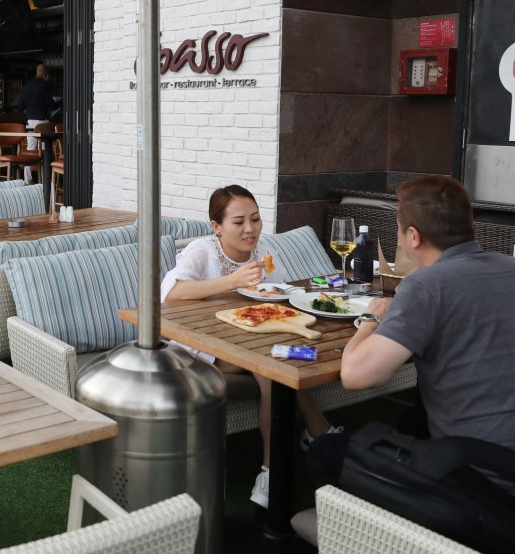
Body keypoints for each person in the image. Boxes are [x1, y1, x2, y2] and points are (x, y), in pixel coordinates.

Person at [309, 175, 515, 490]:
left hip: (481, 478)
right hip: (500, 456)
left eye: (398, 229)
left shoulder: (426, 285)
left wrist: (371, 317)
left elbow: (355, 376)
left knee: (325, 451)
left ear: (413, 237)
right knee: (410, 423)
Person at [160, 185, 340, 509]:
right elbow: (170, 293)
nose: (250, 229)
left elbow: (279, 293)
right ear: (216, 226)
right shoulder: (203, 251)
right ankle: (316, 435)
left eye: (255, 220)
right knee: (273, 365)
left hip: (250, 339)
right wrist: (233, 281)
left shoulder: (262, 255)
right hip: (200, 345)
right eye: (239, 221)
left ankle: (279, 464)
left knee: (275, 362)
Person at [15, 64, 55, 182]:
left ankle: (27, 179)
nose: (47, 76)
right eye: (47, 73)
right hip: (43, 122)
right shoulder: (45, 86)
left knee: (30, 150)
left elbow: (20, 106)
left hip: (30, 122)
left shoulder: (27, 86)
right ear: (43, 73)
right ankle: (44, 178)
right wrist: (58, 103)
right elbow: (51, 105)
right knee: (44, 150)